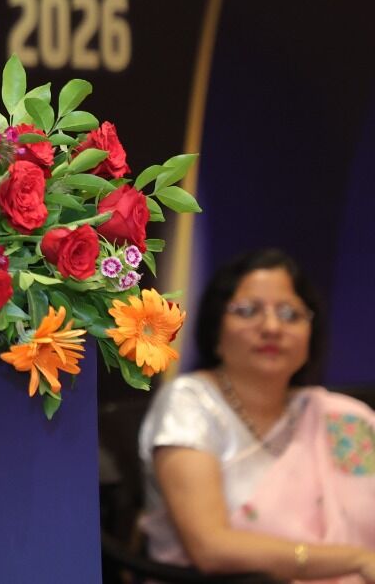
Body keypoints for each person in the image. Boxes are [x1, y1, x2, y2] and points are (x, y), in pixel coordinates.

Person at [139, 248, 375, 582]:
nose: (272, 327)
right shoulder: (189, 403)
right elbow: (211, 548)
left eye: (290, 314)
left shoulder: (344, 421)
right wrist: (356, 560)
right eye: (248, 310)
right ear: (215, 330)